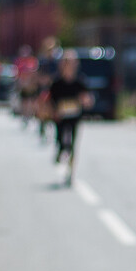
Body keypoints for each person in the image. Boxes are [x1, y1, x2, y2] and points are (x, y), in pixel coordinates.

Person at [43, 50, 93, 187]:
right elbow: (49, 100)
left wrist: (86, 101)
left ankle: (70, 172)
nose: (68, 66)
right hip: (60, 117)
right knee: (60, 140)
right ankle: (60, 151)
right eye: (65, 63)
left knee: (72, 144)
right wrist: (52, 111)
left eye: (71, 63)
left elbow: (88, 99)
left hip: (75, 117)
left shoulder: (80, 81)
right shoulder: (57, 83)